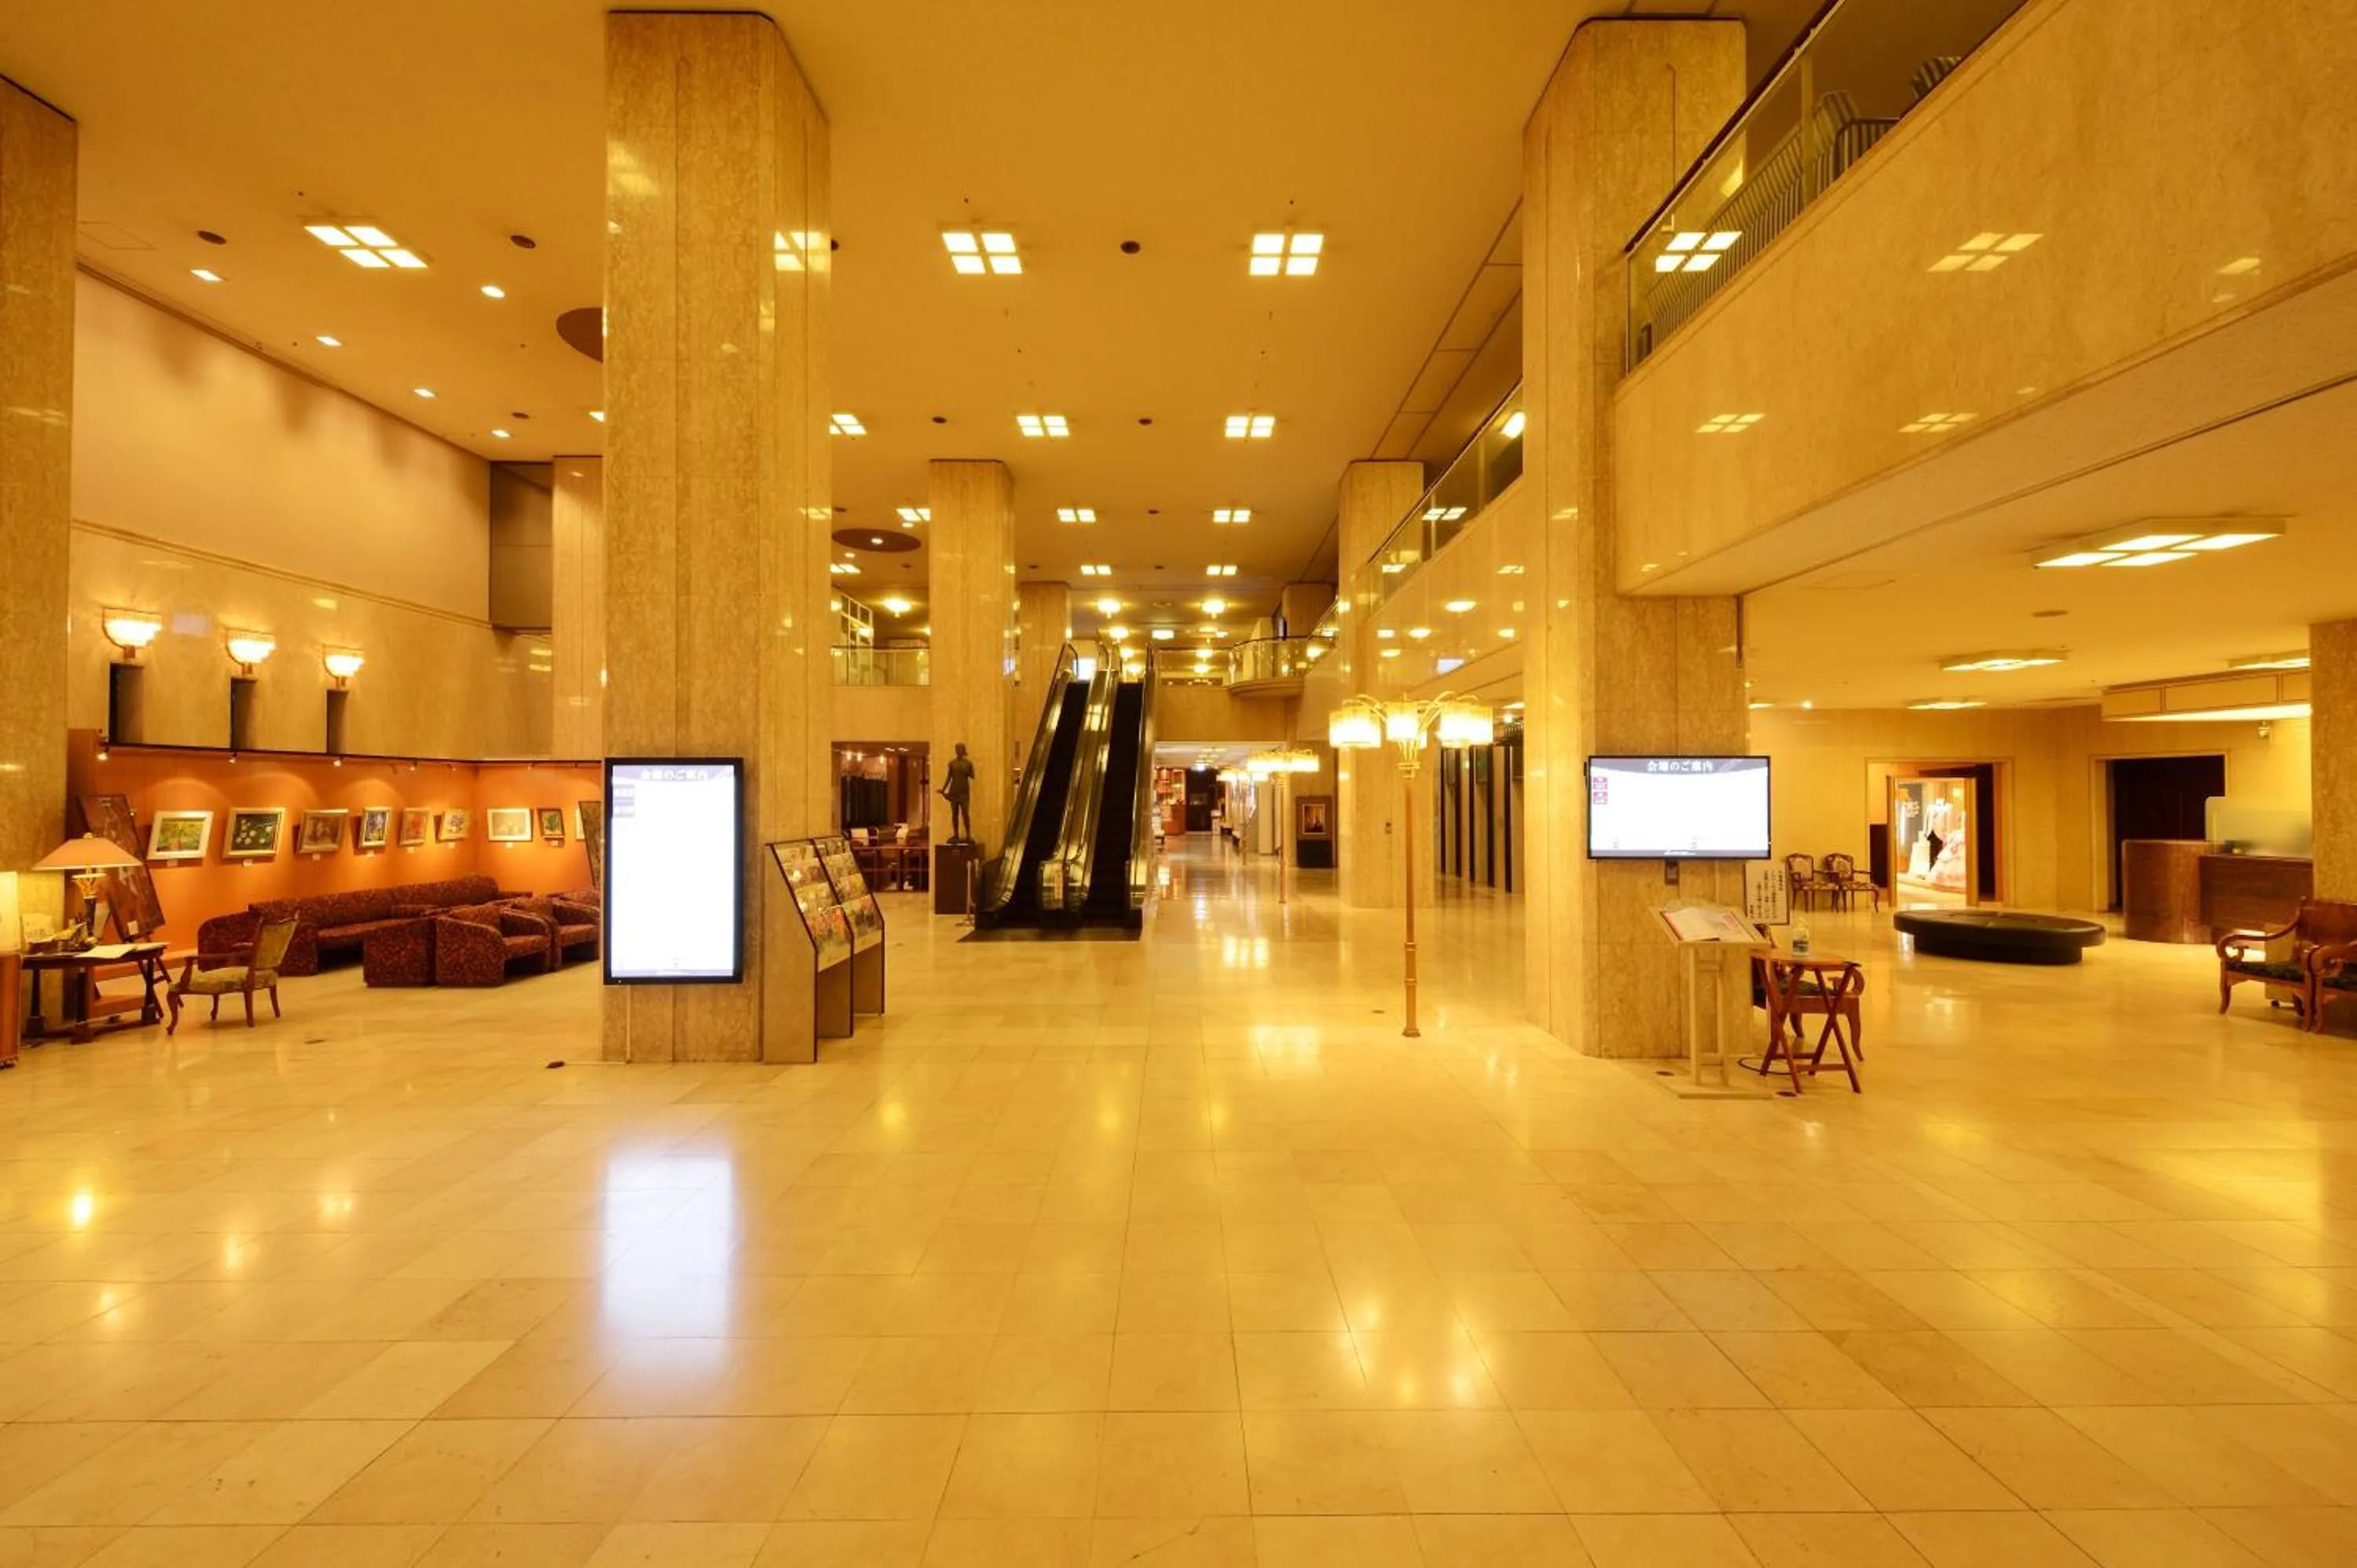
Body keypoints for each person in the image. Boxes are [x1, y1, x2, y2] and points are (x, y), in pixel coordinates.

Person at [940, 742, 977, 844]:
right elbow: (949, 777)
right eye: (957, 749)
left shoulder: (968, 763)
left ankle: (968, 834)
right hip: (954, 792)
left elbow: (973, 776)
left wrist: (967, 772)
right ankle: (956, 835)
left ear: (963, 750)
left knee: (965, 814)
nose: (958, 751)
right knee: (954, 814)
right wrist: (944, 789)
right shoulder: (952, 763)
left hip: (964, 792)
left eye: (960, 749)